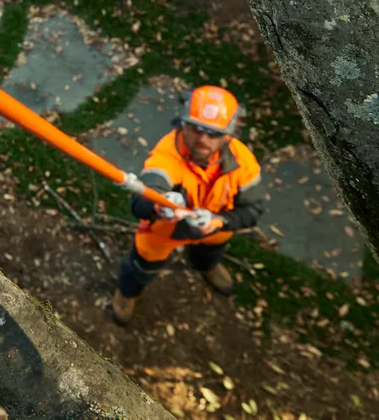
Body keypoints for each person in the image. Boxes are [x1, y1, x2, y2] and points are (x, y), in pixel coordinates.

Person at [111, 85, 265, 325]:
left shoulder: (243, 163)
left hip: (216, 230)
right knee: (140, 267)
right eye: (196, 128)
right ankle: (127, 293)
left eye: (213, 133)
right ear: (183, 123)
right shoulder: (167, 155)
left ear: (229, 134)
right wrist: (158, 207)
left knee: (210, 253)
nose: (203, 139)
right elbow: (144, 195)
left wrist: (220, 222)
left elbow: (253, 210)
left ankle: (206, 267)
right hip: (164, 232)